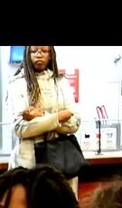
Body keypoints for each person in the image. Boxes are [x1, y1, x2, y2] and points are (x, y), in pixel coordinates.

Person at [5, 46, 82, 192]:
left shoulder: (61, 83)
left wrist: (42, 116)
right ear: (27, 55)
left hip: (61, 161)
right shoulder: (17, 84)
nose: (39, 55)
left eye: (44, 51)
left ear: (51, 55)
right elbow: (21, 129)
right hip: (28, 162)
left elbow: (74, 123)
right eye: (34, 51)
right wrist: (59, 117)